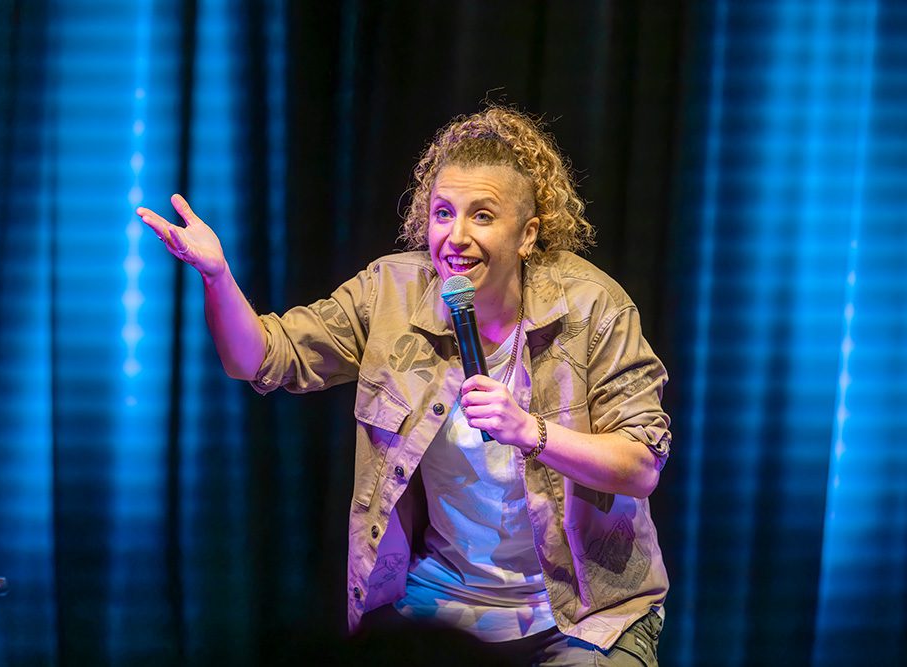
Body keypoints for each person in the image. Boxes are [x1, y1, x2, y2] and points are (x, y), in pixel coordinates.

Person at [137, 107, 671, 666]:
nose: (456, 237)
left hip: (584, 618)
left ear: (527, 234)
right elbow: (261, 358)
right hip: (437, 609)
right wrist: (218, 277)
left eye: (482, 216)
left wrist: (531, 432)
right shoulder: (391, 293)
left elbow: (640, 466)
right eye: (443, 213)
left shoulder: (592, 307)